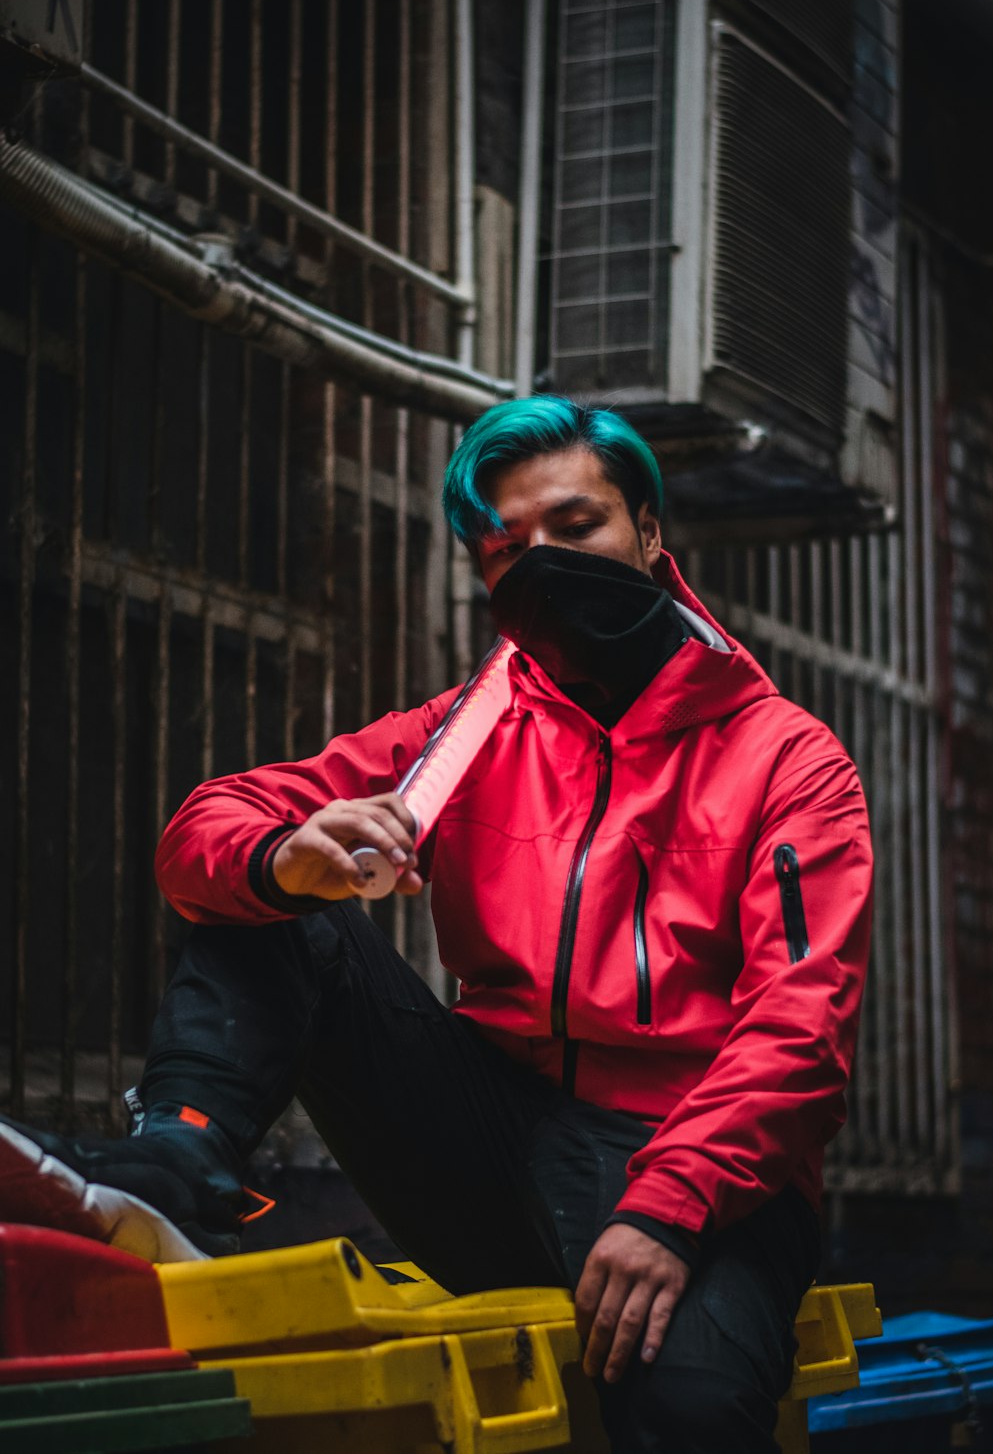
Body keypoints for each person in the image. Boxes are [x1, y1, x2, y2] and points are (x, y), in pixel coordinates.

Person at [0, 397, 872, 1452]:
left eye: (574, 525)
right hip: (495, 1147)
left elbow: (803, 1025)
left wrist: (667, 1210)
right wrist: (289, 859)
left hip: (694, 1172)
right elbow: (203, 829)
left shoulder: (786, 757)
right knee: (272, 896)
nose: (541, 561)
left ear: (648, 533)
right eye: (505, 548)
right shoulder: (467, 732)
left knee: (687, 1411)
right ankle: (178, 1166)